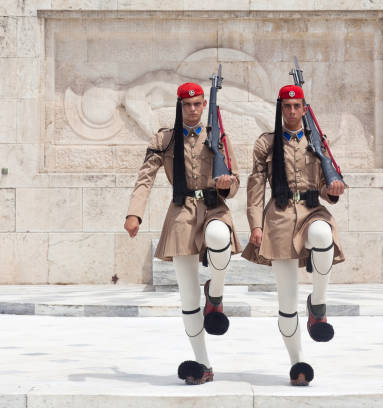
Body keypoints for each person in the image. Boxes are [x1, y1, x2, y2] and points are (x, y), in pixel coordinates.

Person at [124, 82, 242, 385]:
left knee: (219, 238)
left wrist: (227, 184)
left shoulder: (217, 136)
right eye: (187, 104)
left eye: (197, 104)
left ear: (204, 106)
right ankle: (203, 364)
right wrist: (134, 212)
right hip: (181, 212)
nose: (192, 109)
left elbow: (236, 180)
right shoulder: (165, 139)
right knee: (188, 296)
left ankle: (215, 292)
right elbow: (145, 177)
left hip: (215, 207)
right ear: (179, 106)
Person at [242, 85, 346, 386]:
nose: (291, 112)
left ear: (303, 109)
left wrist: (333, 190)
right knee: (287, 301)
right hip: (280, 217)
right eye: (286, 107)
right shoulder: (266, 143)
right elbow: (256, 186)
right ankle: (298, 362)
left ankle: (319, 303)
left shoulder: (318, 142)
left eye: (296, 106)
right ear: (281, 109)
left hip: (312, 209)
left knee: (323, 235)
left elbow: (330, 183)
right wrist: (255, 226)